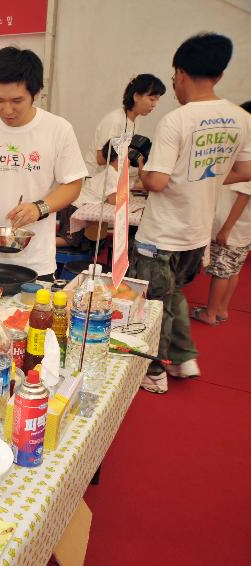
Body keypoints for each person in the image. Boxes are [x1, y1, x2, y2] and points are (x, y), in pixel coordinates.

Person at [133, 34, 251, 394]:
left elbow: (157, 181)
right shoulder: (240, 117)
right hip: (197, 234)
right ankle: (184, 356)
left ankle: (154, 372)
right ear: (218, 73)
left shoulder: (177, 120)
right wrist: (207, 179)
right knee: (175, 294)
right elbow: (245, 170)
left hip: (161, 234)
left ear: (180, 73)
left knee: (152, 305)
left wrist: (140, 170)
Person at [0, 47, 87, 279]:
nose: (7, 110)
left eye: (17, 100)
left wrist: (39, 208)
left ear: (36, 93)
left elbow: (73, 184)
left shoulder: (58, 129)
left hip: (35, 262)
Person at [191, 100, 251, 327]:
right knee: (233, 269)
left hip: (232, 227)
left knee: (221, 271)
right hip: (243, 229)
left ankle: (211, 312)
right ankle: (223, 309)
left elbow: (243, 196)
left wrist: (225, 229)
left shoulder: (245, 157)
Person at [85, 74, 166, 176]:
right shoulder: (115, 120)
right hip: (95, 180)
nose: (154, 105)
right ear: (136, 96)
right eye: (152, 99)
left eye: (157, 100)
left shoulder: (135, 121)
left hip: (111, 178)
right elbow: (101, 159)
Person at [57, 140, 120, 249]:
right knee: (69, 240)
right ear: (120, 156)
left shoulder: (111, 172)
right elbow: (113, 200)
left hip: (75, 206)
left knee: (74, 239)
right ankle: (39, 244)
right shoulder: (112, 174)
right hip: (74, 208)